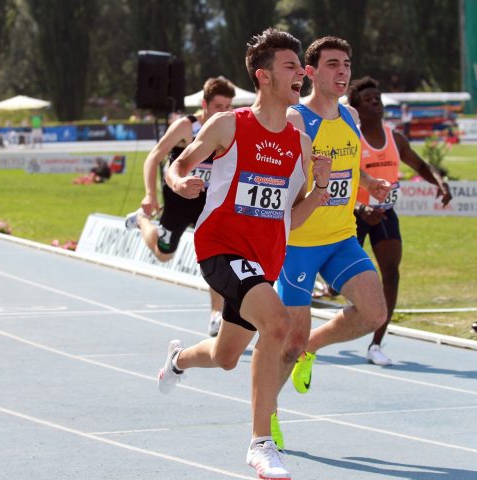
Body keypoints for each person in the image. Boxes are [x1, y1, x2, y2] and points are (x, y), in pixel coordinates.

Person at [157, 28, 332, 480]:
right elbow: (178, 164)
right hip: (220, 247)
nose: (302, 73)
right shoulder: (229, 125)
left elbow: (292, 217)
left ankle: (177, 359)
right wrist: (180, 183)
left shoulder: (299, 141)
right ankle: (260, 444)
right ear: (264, 76)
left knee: (226, 356)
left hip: (264, 259)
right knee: (278, 325)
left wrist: (322, 186)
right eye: (291, 66)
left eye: (302, 66)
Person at [273, 37, 392, 442]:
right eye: (332, 65)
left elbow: (351, 163)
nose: (343, 72)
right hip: (298, 245)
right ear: (310, 73)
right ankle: (266, 417)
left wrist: (370, 181)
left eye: (347, 64)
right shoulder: (295, 119)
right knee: (287, 344)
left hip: (341, 237)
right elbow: (281, 180)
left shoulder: (351, 116)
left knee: (375, 314)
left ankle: (312, 347)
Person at [349, 76, 452, 366]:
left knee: (391, 274)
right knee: (338, 279)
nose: (375, 102)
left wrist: (440, 184)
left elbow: (420, 164)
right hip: (351, 215)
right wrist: (359, 207)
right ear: (356, 106)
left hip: (385, 212)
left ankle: (376, 344)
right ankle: (332, 295)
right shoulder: (351, 139)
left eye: (378, 97)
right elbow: (339, 180)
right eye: (368, 98)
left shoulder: (395, 138)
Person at [125, 76, 236, 336]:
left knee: (217, 255)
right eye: (218, 106)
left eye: (228, 106)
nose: (224, 112)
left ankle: (215, 315)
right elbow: (153, 157)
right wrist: (150, 194)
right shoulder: (186, 127)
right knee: (165, 254)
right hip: (178, 199)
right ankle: (141, 220)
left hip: (208, 202)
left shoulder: (227, 127)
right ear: (204, 104)